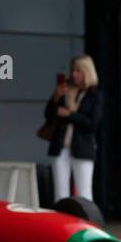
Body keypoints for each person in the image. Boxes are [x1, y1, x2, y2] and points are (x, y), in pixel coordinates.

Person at [45, 55, 102, 203]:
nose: (74, 74)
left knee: (84, 193)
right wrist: (56, 97)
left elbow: (92, 123)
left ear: (87, 72)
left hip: (82, 147)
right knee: (60, 193)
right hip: (60, 146)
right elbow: (49, 115)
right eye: (73, 70)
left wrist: (70, 115)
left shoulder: (95, 95)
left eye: (78, 70)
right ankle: (60, 225)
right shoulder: (66, 90)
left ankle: (85, 223)